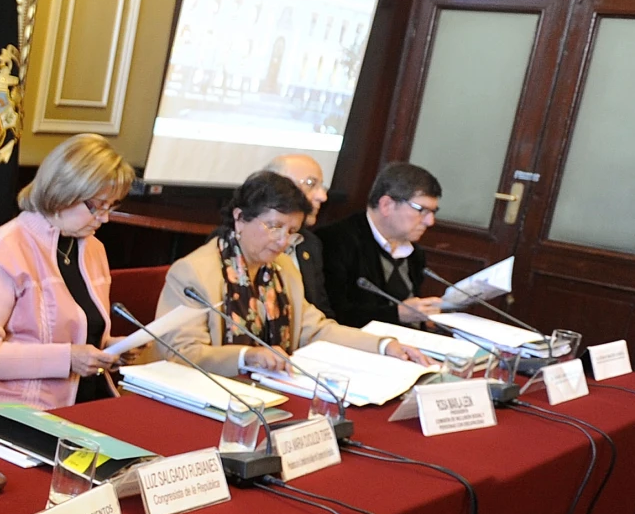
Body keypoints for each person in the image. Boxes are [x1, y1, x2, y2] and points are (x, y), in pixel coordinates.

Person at [161, 170, 435, 374]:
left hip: (272, 388)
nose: (282, 241)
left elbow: (315, 329)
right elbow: (182, 354)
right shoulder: (194, 271)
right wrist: (246, 356)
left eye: (291, 231)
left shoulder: (283, 268)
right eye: (273, 226)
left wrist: (385, 345)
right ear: (240, 218)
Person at [0, 133, 138, 411]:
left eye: (111, 206)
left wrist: (109, 349)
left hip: (83, 403)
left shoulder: (93, 249)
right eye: (97, 206)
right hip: (10, 411)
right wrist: (68, 359)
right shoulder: (4, 251)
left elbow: (76, 333)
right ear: (63, 193)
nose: (105, 218)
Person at [319, 162, 445, 330]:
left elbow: (411, 316)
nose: (430, 221)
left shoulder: (415, 255)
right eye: (421, 210)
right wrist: (397, 314)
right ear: (386, 205)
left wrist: (425, 320)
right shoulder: (334, 241)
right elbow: (333, 315)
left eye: (433, 212)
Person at [263, 152, 331, 311]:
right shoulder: (237, 241)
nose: (323, 196)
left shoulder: (310, 243)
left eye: (322, 186)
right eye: (310, 184)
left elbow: (322, 313)